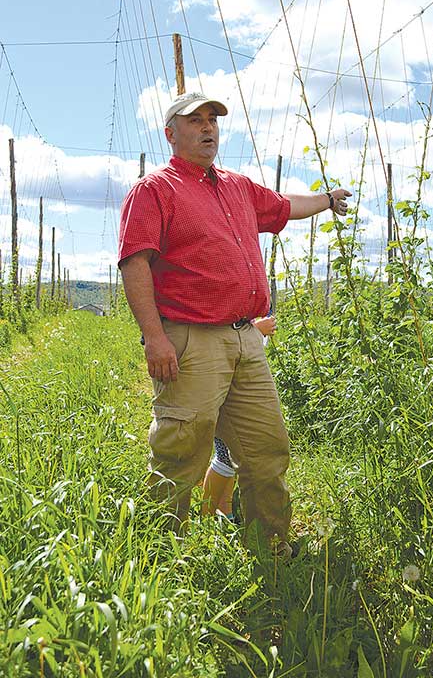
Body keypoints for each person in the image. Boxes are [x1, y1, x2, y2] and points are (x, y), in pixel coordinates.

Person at [118, 91, 351, 556]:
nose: (208, 128)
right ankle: (160, 556)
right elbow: (134, 264)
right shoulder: (155, 190)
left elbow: (284, 206)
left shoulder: (237, 187)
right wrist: (156, 337)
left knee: (266, 448)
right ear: (171, 133)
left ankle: (272, 547)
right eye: (195, 121)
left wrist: (327, 200)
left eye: (213, 121)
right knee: (181, 451)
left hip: (246, 337)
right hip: (190, 340)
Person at [202, 314, 277, 520]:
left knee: (230, 457)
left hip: (237, 380)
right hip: (224, 381)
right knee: (224, 457)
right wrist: (257, 331)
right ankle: (205, 518)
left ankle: (225, 511)